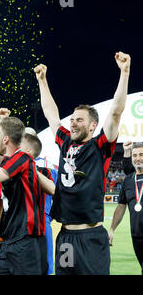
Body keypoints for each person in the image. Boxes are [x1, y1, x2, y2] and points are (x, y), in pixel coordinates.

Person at [33, 51, 130, 275]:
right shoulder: (65, 142)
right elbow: (51, 115)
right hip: (66, 237)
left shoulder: (100, 146)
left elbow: (116, 112)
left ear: (93, 126)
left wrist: (124, 73)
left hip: (91, 237)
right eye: (73, 119)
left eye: (79, 120)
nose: (73, 123)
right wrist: (43, 81)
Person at [0, 117, 54, 275]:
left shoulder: (21, 158)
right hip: (10, 239)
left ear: (6, 139)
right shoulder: (11, 161)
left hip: (25, 239)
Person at [21, 131, 57, 275]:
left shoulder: (48, 166)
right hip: (35, 222)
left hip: (39, 221)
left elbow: (55, 193)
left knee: (44, 265)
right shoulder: (50, 166)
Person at [109, 142, 143, 274]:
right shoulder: (128, 180)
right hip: (136, 236)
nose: (138, 158)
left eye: (141, 154)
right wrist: (112, 228)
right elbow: (121, 206)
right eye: (135, 155)